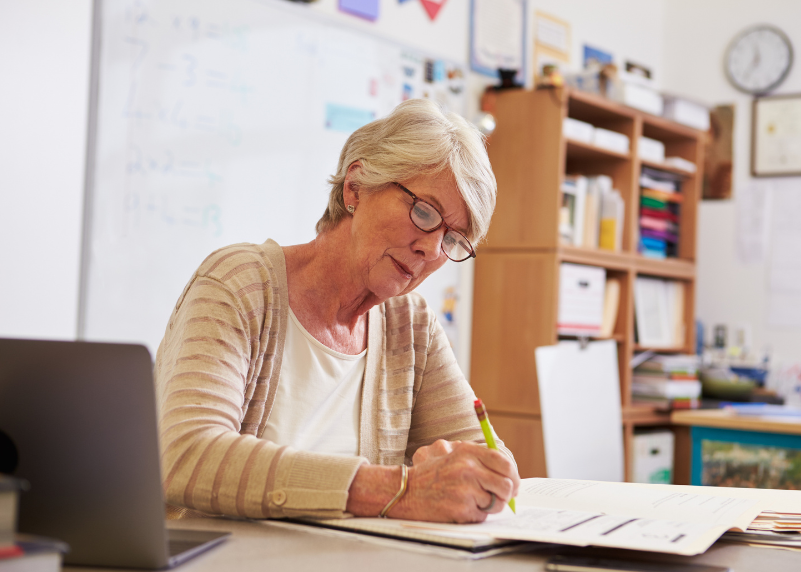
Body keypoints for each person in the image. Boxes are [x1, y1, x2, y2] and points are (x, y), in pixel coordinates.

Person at [154, 98, 520, 524]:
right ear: (356, 187)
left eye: (453, 239)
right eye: (424, 213)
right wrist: (399, 491)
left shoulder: (411, 326)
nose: (430, 248)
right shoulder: (239, 284)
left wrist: (487, 475)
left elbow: (480, 458)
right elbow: (187, 455)